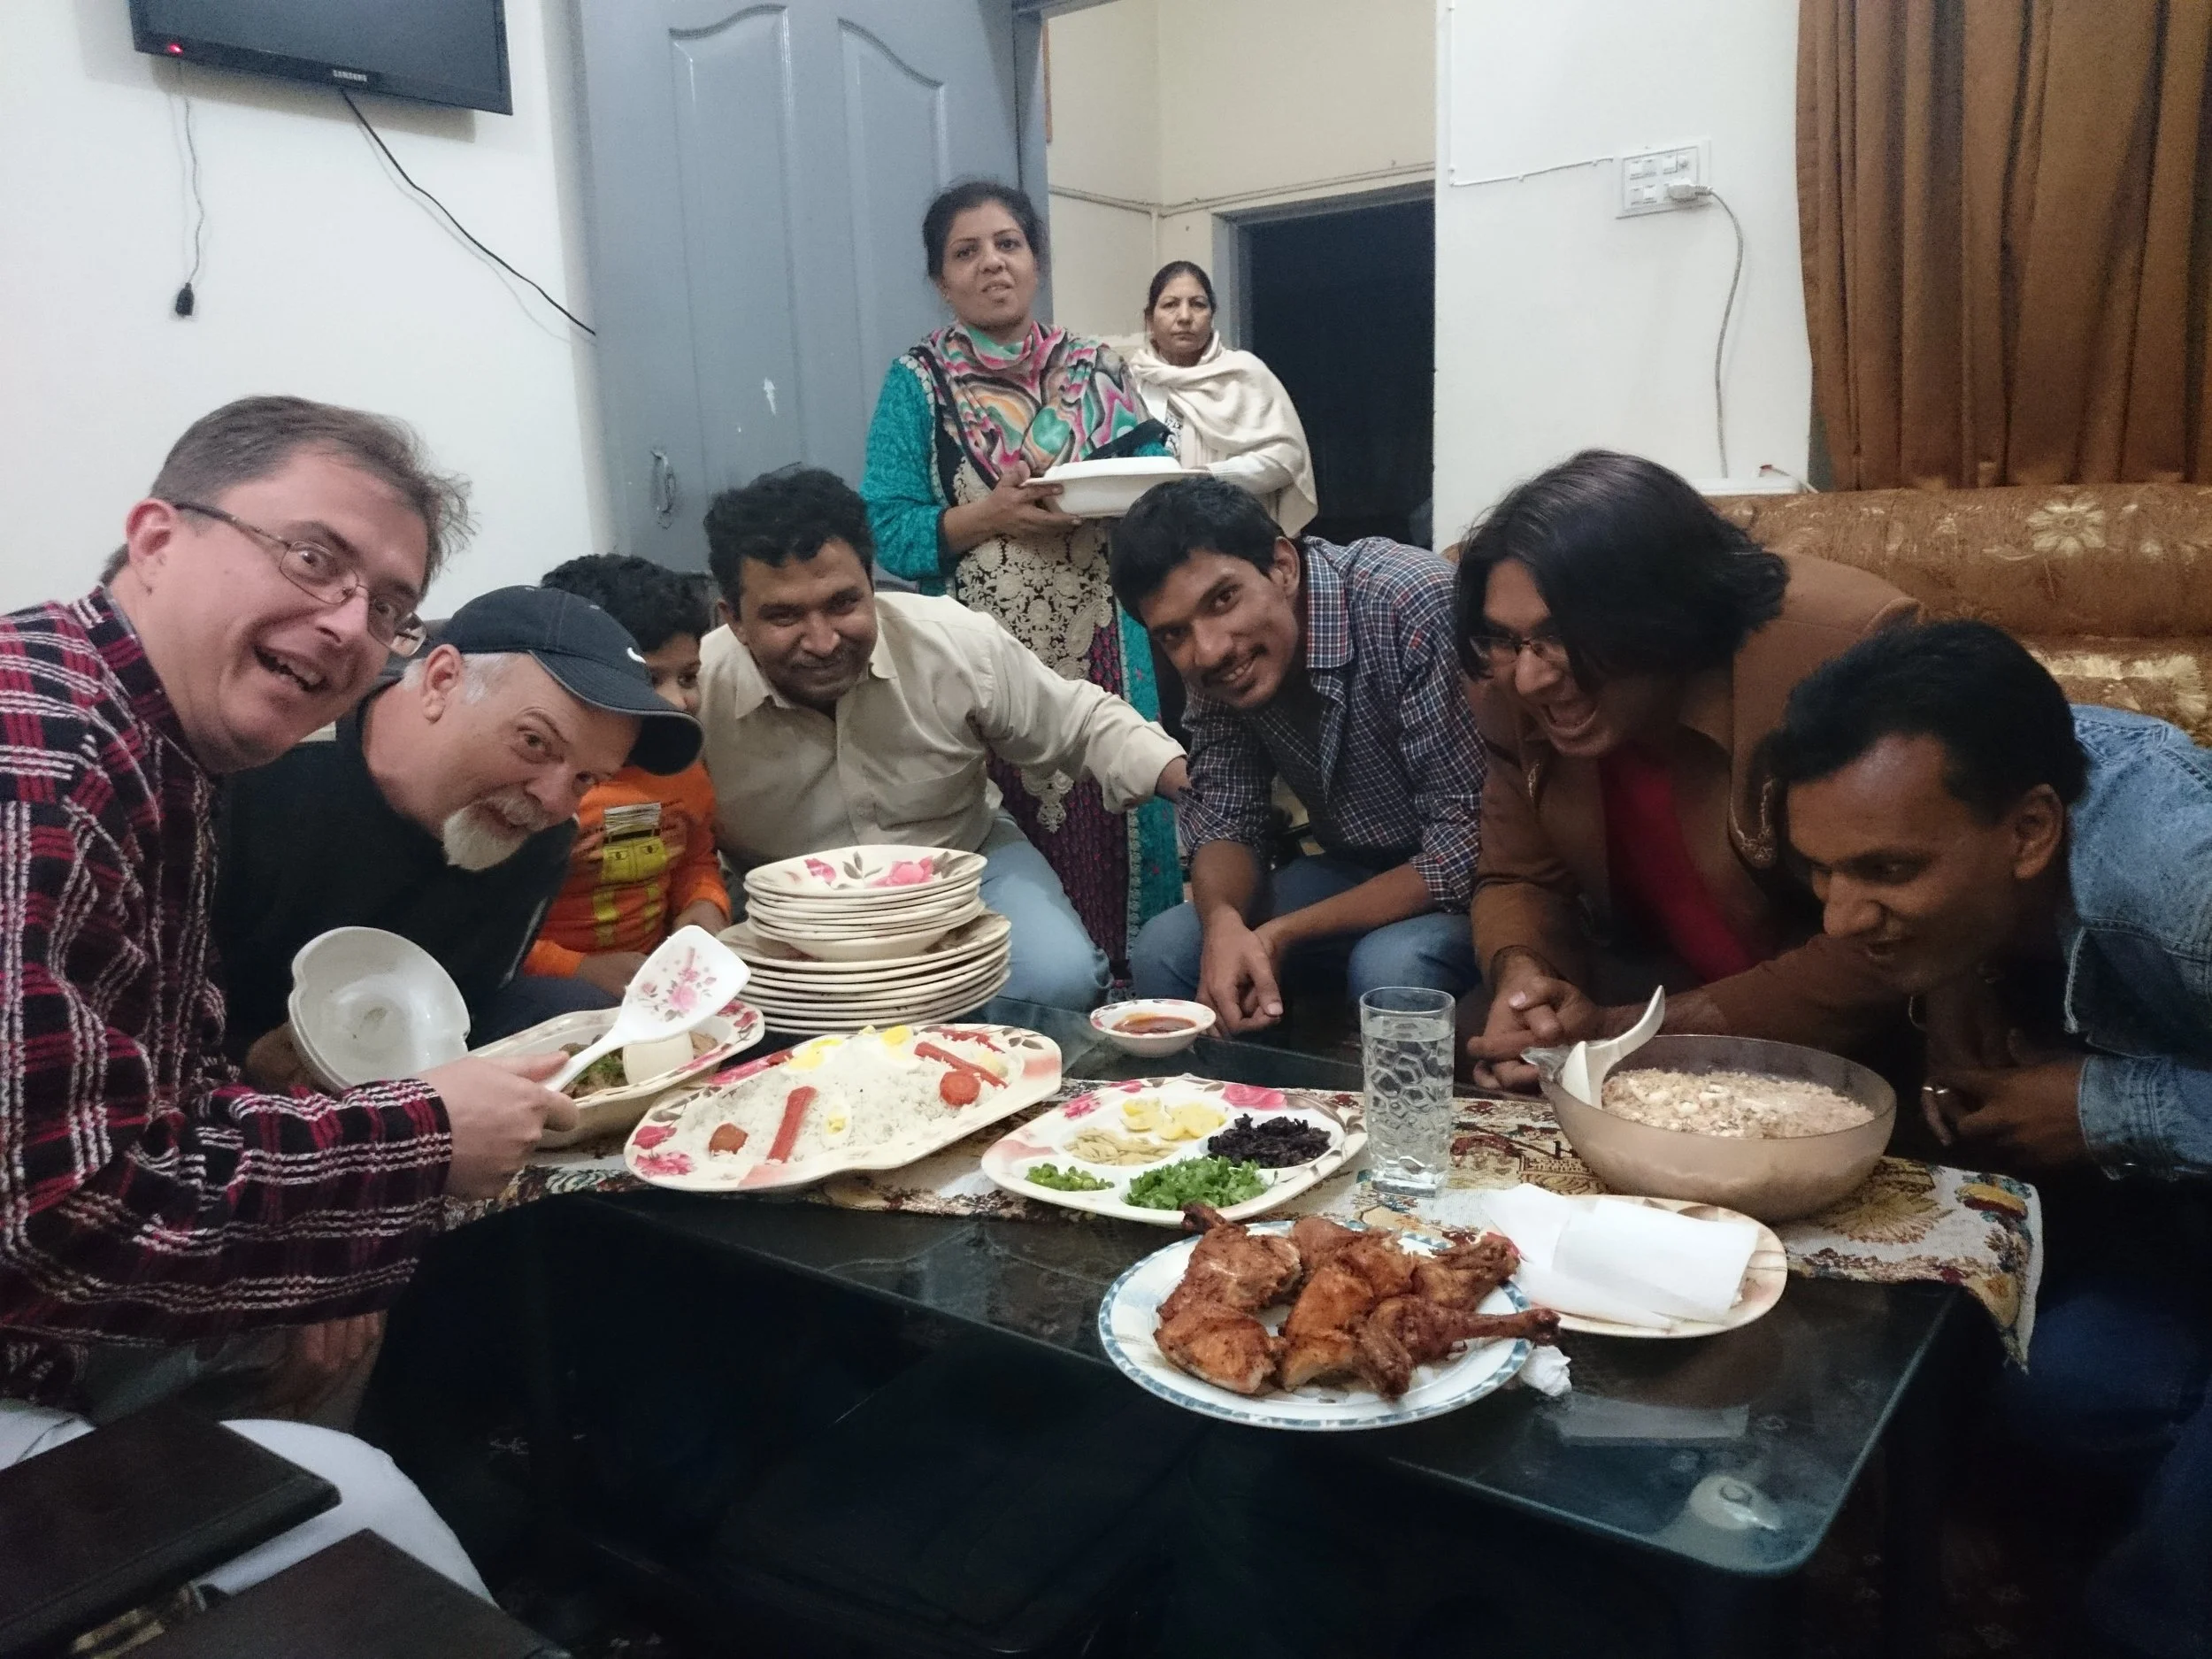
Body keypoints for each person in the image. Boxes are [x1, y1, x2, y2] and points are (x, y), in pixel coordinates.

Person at [0, 395, 583, 1597]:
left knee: (353, 1339)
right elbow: (57, 1213)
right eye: (314, 558)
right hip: (34, 1335)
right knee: (362, 1509)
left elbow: (154, 1097)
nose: (349, 625)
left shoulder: (163, 753)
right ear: (157, 538)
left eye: (389, 605)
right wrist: (423, 1136)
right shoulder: (47, 752)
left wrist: (337, 1233)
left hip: (71, 1302)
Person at [1770, 619, 2212, 1659]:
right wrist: (1955, 975)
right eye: (1821, 872)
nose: (1839, 920)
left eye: (1885, 869)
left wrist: (2104, 1108)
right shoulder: (1986, 757)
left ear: (2030, 832)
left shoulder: (2181, 890)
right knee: (2059, 1386)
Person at [1457, 450, 1918, 1089]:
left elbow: (1893, 930)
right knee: (1478, 1033)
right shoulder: (1505, 683)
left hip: (1847, 1005)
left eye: (1561, 634)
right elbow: (1519, 876)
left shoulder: (1841, 652)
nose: (1530, 677)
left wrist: (1619, 1035)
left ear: (1663, 611)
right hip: (1662, 970)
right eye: (1506, 639)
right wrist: (1526, 982)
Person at [699, 465, 1188, 1012]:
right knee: (748, 1021)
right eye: (784, 616)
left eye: (842, 603)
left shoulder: (951, 642)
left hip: (961, 863)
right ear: (734, 620)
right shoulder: (695, 697)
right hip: (785, 907)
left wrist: (1192, 784)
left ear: (872, 586)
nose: (823, 640)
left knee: (1059, 982)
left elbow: (1082, 722)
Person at [860, 179, 1178, 964]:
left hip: (1107, 643)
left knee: (1116, 799)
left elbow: (1158, 484)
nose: (992, 263)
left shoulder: (1095, 370)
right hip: (975, 659)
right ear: (941, 280)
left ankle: (1133, 1001)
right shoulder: (917, 382)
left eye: (1008, 244)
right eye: (966, 252)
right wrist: (991, 515)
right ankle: (1030, 1001)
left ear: (1036, 260)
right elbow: (887, 528)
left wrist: (1115, 500)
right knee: (1005, 838)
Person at [217, 584, 704, 1078]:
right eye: (535, 742)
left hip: (410, 1071)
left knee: (575, 1010)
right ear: (442, 681)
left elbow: (475, 999)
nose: (554, 801)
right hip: (217, 1076)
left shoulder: (542, 838)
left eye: (587, 779)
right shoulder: (257, 775)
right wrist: (245, 1061)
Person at [1110, 475, 1484, 1033]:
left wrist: (1283, 933)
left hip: (1484, 884)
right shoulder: (1219, 662)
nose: (1208, 650)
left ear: (1282, 566)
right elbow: (1225, 820)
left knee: (1392, 970)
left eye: (1223, 599)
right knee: (1169, 949)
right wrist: (1224, 925)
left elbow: (1462, 852)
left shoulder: (1409, 602)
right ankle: (1238, 1092)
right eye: (1174, 634)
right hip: (1354, 866)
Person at [526, 556, 728, 995]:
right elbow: (484, 930)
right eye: (649, 679)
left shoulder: (684, 770)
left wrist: (704, 905)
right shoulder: (535, 790)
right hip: (548, 991)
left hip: (661, 984)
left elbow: (695, 859)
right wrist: (578, 970)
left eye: (688, 677)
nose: (678, 702)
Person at [1119, 260, 1318, 535]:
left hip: (1232, 536)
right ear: (1149, 319)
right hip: (1152, 540)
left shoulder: (1244, 374)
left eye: (1198, 304)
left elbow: (1286, 459)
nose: (1185, 316)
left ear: (1212, 315)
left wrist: (1210, 477)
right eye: (1170, 305)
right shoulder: (1130, 383)